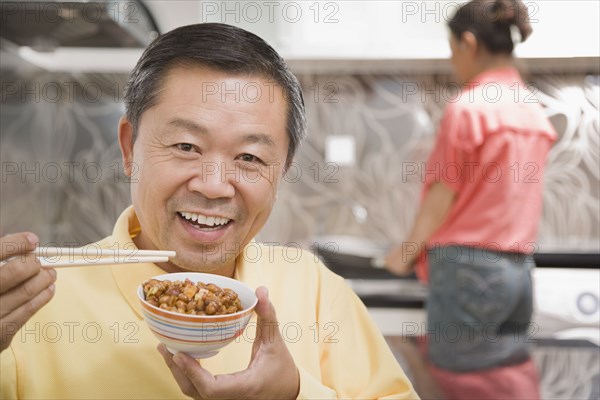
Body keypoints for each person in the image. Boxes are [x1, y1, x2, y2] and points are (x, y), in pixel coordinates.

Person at [0, 23, 418, 399]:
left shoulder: (315, 291)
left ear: (282, 171)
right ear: (130, 148)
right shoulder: (32, 304)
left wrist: (295, 393)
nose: (215, 185)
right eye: (186, 147)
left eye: (250, 157)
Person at [384, 0, 557, 398]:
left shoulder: (470, 108)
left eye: (452, 49)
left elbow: (443, 193)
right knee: (506, 385)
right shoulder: (532, 109)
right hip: (517, 272)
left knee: (460, 386)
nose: (451, 61)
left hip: (467, 272)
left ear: (468, 43)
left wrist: (406, 251)